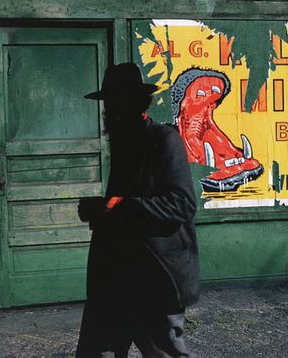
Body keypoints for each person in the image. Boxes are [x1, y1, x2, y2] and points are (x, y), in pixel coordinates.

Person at [75, 62, 199, 357]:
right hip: (117, 276)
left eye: (113, 105)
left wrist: (121, 206)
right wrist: (99, 210)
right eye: (107, 106)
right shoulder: (124, 143)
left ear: (134, 104)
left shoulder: (163, 140)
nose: (107, 113)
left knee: (162, 351)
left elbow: (182, 204)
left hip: (156, 275)